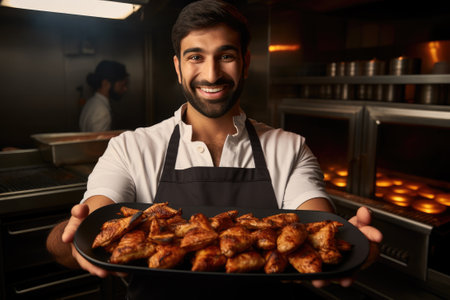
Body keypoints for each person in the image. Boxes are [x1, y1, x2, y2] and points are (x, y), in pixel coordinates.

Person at [47, 1, 382, 299]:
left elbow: (313, 221)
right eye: (196, 57)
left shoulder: (290, 148)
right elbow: (89, 224)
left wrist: (353, 246)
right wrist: (71, 235)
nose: (211, 74)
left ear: (246, 62)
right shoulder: (131, 148)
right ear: (178, 67)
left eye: (226, 56)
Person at [79, 60, 129, 132]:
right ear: (105, 83)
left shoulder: (91, 102)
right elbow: (99, 143)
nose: (125, 89)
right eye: (122, 85)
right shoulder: (102, 112)